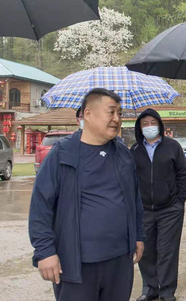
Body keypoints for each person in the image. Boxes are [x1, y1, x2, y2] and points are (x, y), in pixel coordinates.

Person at [29, 88, 144, 301]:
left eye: (120, 113)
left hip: (119, 261)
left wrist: (138, 235)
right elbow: (40, 206)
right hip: (76, 263)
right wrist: (45, 252)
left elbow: (134, 199)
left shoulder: (122, 154)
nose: (117, 119)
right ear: (88, 114)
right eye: (111, 112)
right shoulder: (63, 153)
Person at [131, 109, 186, 301]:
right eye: (144, 123)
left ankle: (166, 291)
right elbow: (130, 179)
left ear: (160, 125)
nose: (149, 127)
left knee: (167, 251)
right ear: (139, 127)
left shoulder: (173, 146)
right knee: (145, 251)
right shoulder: (134, 150)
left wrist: (180, 201)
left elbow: (182, 173)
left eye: (152, 122)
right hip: (144, 210)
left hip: (170, 209)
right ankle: (150, 288)